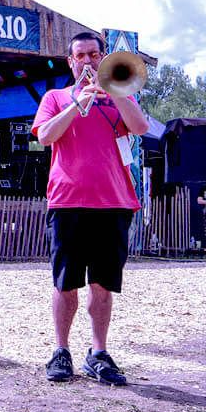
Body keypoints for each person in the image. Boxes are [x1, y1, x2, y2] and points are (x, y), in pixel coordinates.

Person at [32, 32, 148, 386]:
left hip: (113, 203)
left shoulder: (118, 97)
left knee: (103, 285)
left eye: (94, 54)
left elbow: (140, 128)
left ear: (103, 58)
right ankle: (61, 350)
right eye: (80, 55)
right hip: (68, 202)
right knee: (65, 283)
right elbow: (45, 136)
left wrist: (112, 90)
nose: (87, 61)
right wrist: (76, 102)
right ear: (70, 61)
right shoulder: (55, 97)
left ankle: (98, 352)